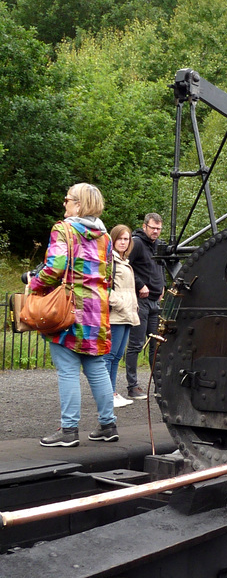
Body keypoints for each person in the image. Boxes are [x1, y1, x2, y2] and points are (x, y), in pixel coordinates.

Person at [29, 183, 118, 447]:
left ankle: (68, 431)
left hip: (69, 310)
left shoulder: (63, 229)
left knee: (67, 371)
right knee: (97, 367)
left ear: (78, 204)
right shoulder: (106, 237)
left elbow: (55, 267)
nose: (64, 204)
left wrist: (33, 284)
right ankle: (108, 425)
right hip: (97, 312)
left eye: (67, 199)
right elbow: (109, 276)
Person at [124, 212, 165, 400]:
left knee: (155, 344)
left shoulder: (158, 245)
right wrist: (140, 284)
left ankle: (158, 383)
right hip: (141, 300)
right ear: (145, 226)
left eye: (158, 228)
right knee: (136, 343)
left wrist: (162, 284)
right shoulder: (137, 243)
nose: (156, 231)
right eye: (153, 228)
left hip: (155, 300)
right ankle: (132, 386)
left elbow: (159, 267)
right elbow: (126, 266)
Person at [105, 225, 140, 408]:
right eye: (120, 238)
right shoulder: (110, 261)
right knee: (110, 356)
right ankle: (107, 393)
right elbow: (104, 287)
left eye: (126, 239)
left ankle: (112, 392)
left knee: (117, 356)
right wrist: (118, 303)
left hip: (126, 313)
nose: (123, 242)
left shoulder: (124, 261)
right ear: (113, 239)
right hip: (116, 314)